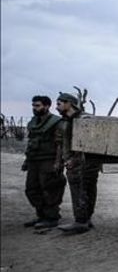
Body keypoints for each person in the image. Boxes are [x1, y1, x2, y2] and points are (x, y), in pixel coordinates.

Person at [54, 93, 100, 234]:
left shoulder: (85, 120)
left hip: (85, 163)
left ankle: (81, 221)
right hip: (74, 163)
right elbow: (61, 144)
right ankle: (84, 220)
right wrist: (59, 161)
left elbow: (91, 143)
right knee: (81, 191)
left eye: (59, 104)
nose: (57, 107)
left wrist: (74, 160)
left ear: (69, 103)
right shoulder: (65, 121)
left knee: (84, 191)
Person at [22, 95, 65, 232]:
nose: (34, 108)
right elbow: (31, 142)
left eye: (38, 106)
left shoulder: (56, 122)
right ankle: (41, 215)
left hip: (49, 159)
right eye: (33, 106)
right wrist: (27, 160)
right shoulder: (34, 121)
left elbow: (60, 144)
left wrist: (58, 162)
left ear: (46, 106)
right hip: (34, 159)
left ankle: (52, 218)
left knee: (50, 188)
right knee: (31, 189)